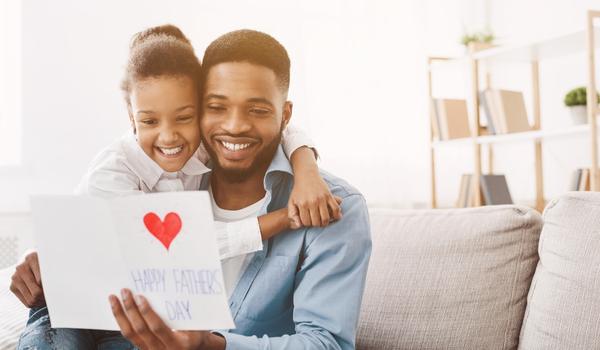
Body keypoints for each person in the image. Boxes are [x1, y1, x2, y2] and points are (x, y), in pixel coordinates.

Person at [11, 25, 342, 350]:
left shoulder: (205, 147)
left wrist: (306, 166)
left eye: (184, 117)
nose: (169, 136)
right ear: (131, 116)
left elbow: (273, 121)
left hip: (134, 316)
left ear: (197, 110)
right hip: (72, 308)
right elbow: (194, 245)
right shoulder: (112, 173)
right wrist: (286, 219)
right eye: (151, 121)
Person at [109, 29, 372, 350]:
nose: (235, 126)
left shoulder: (332, 205)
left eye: (258, 111)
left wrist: (208, 346)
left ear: (285, 115)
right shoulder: (170, 176)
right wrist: (47, 267)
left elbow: (327, 344)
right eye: (217, 107)